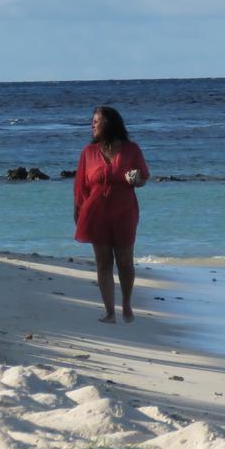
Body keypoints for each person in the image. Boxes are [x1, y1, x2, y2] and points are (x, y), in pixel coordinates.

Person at [73, 106, 149, 323]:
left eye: (96, 121)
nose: (92, 125)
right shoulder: (88, 152)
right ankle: (109, 312)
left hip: (125, 212)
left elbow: (143, 177)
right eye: (92, 121)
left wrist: (136, 180)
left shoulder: (131, 149)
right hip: (95, 213)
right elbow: (80, 187)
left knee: (125, 260)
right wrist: (77, 211)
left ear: (109, 123)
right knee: (103, 262)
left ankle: (126, 304)